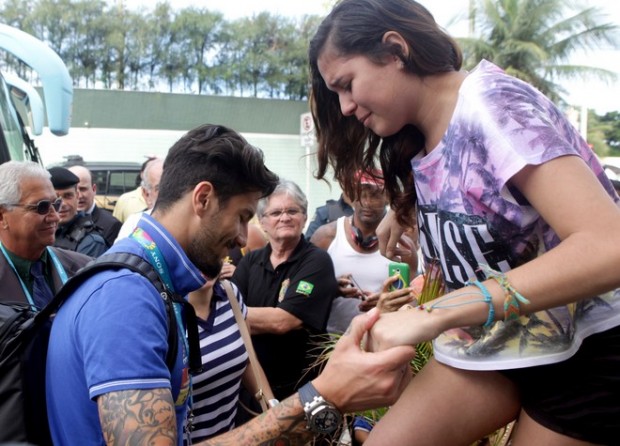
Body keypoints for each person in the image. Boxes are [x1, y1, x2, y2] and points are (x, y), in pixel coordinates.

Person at [308, 1, 620, 445]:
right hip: (500, 342)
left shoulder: (492, 106)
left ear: (395, 50)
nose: (343, 107)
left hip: (592, 347)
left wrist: (432, 315)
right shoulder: (420, 137)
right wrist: (405, 209)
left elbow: (608, 245)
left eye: (347, 84)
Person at [45, 123, 415, 446]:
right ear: (203, 198)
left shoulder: (155, 282)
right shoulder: (126, 297)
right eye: (241, 217)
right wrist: (324, 398)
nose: (242, 237)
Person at [232, 179, 338, 401]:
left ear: (305, 217)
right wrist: (232, 315)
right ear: (262, 222)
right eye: (276, 213)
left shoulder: (317, 261)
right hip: (254, 390)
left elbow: (283, 321)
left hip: (304, 390)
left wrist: (235, 317)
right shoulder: (250, 261)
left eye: (292, 211)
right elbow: (229, 307)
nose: (285, 217)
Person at [311, 170, 417, 333]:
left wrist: (387, 302)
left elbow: (414, 299)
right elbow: (305, 289)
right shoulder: (325, 237)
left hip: (383, 338)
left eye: (375, 196)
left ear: (387, 198)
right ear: (352, 197)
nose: (367, 203)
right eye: (361, 195)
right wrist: (332, 288)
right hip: (331, 340)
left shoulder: (403, 248)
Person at [0, 161, 91, 310]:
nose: (55, 217)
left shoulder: (85, 269)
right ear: (2, 216)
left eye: (56, 205)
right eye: (41, 207)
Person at [49, 166, 108, 258]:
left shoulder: (91, 242)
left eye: (68, 196)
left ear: (77, 196)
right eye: (56, 198)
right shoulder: (40, 232)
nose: (62, 204)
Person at [68, 164, 122, 246]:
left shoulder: (111, 225)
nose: (79, 196)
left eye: (83, 189)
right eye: (74, 190)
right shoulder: (59, 221)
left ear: (94, 189)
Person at [114, 157, 164, 242]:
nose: (169, 192)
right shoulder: (134, 223)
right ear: (147, 194)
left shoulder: (186, 220)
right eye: (159, 188)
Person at [111, 156, 156, 223]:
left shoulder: (167, 200)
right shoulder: (125, 199)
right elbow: (116, 225)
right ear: (142, 174)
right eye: (150, 171)